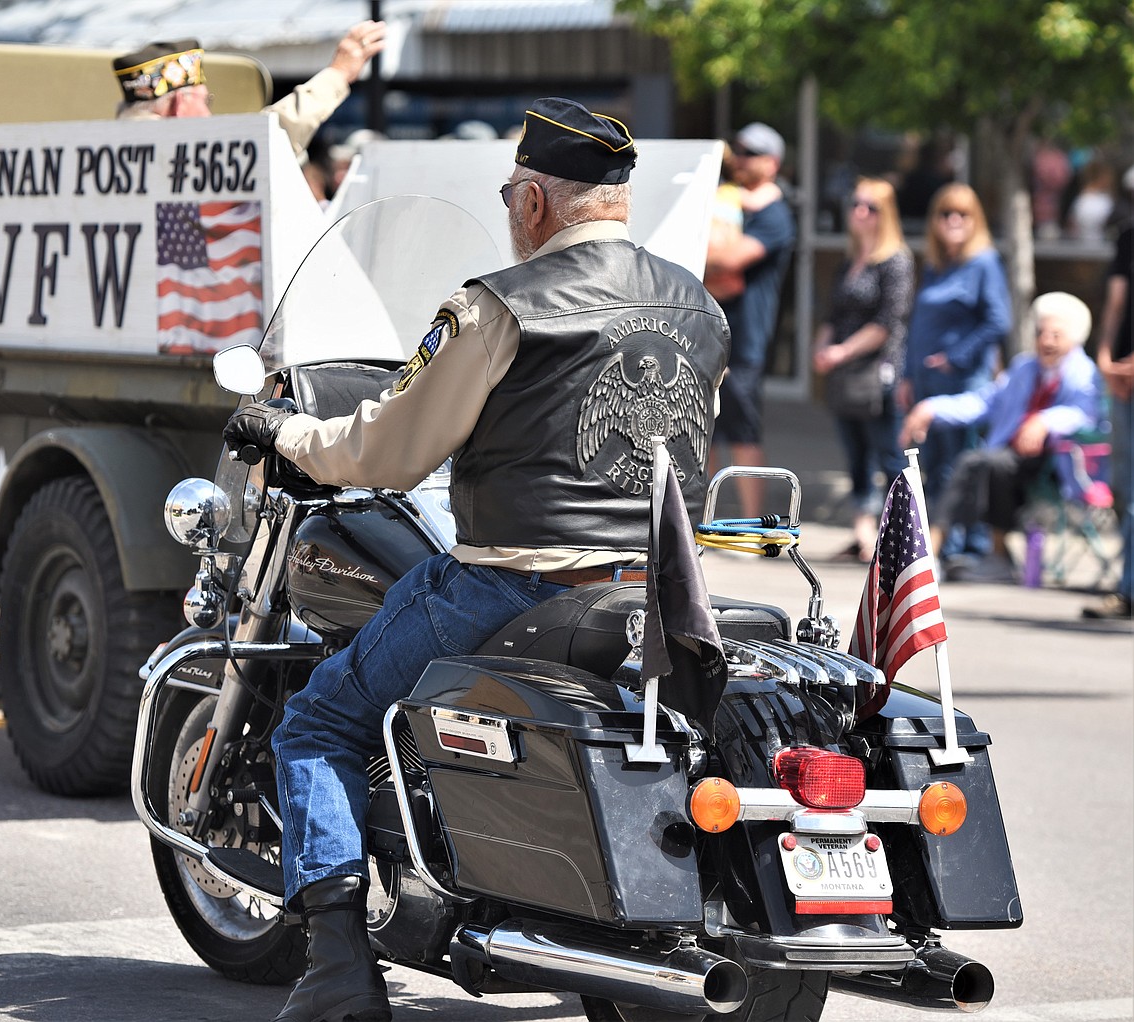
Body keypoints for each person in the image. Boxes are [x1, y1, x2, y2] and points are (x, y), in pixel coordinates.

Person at [222, 97, 731, 1022]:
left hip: (513, 583)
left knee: (317, 726)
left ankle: (337, 969)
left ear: (535, 200)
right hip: (653, 594)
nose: (508, 211)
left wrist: (286, 429)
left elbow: (384, 451)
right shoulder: (697, 306)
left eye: (510, 193)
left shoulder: (501, 305)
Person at [901, 292, 1102, 583]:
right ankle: (957, 548)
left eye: (1056, 335)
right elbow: (984, 402)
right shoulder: (1023, 367)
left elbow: (1086, 414)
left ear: (1074, 339)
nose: (1046, 341)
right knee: (981, 462)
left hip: (1057, 464)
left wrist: (1044, 421)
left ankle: (936, 548)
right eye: (1041, 333)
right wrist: (931, 408)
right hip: (1009, 458)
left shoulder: (1084, 374)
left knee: (983, 462)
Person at [900, 182, 1012, 558]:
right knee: (932, 465)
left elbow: (999, 321)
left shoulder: (984, 262)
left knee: (960, 466)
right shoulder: (937, 263)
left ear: (975, 220)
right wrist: (908, 375)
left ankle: (964, 545)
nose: (953, 220)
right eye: (945, 213)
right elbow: (917, 325)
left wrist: (957, 356)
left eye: (962, 214)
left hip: (963, 382)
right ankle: (939, 541)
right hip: (927, 383)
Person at [812, 178, 914, 562]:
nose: (859, 212)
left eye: (869, 207)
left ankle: (897, 539)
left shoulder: (896, 259)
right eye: (855, 204)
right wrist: (822, 348)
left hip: (879, 372)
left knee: (888, 457)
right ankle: (863, 534)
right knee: (855, 457)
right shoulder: (849, 263)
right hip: (845, 376)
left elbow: (890, 321)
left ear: (884, 214)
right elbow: (832, 315)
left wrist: (841, 352)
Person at [112, 22, 387, 157]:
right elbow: (274, 133)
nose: (209, 111)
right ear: (179, 105)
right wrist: (338, 73)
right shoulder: (184, 154)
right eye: (205, 100)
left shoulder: (100, 152)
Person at [702, 122, 796, 517]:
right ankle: (697, 526)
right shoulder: (726, 201)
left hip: (747, 338)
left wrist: (705, 251)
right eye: (739, 151)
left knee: (743, 434)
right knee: (703, 434)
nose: (741, 159)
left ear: (773, 163)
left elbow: (730, 264)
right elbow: (719, 270)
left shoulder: (776, 215)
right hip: (710, 332)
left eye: (752, 153)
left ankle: (749, 528)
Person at [1082, 217, 1133, 619]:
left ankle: (1128, 588)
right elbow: (1116, 302)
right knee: (1122, 488)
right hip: (1122, 381)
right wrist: (1104, 356)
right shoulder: (1128, 236)